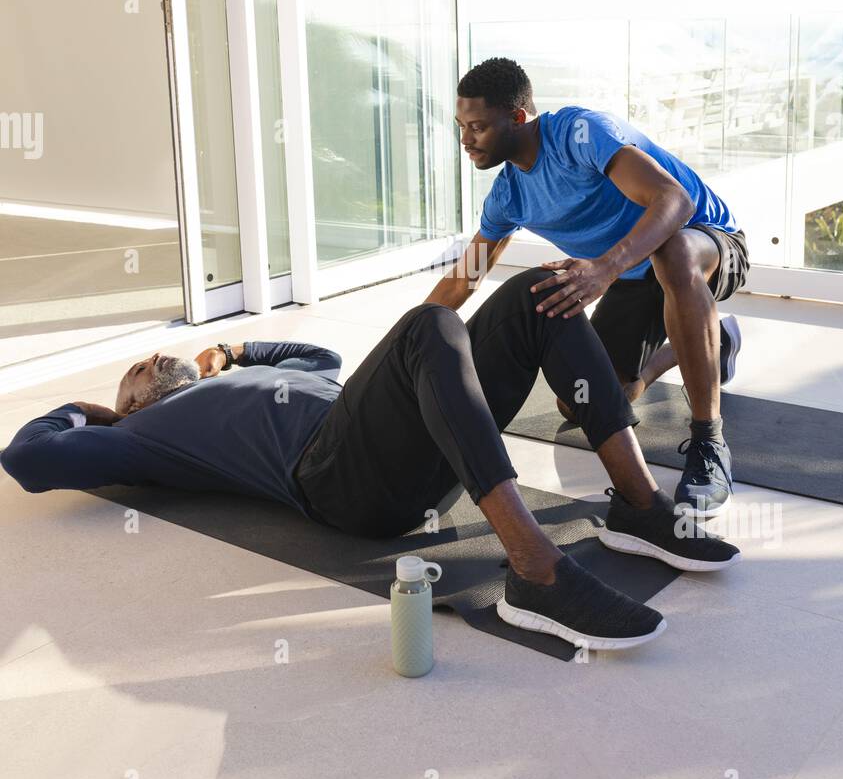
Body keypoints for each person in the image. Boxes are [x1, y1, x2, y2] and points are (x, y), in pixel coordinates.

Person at [1, 275, 740, 656]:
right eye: (135, 371)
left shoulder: (223, 377)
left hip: (395, 442)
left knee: (537, 293)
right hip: (336, 481)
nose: (150, 360)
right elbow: (27, 461)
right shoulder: (145, 436)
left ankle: (638, 506)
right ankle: (535, 574)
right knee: (428, 323)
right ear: (130, 406)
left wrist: (233, 352)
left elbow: (319, 358)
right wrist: (82, 411)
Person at [425, 57, 750, 518]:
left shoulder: (578, 135)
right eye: (461, 126)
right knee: (582, 404)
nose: (465, 141)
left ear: (518, 117)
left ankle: (709, 442)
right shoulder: (507, 195)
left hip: (706, 244)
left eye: (476, 127)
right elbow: (466, 276)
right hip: (631, 274)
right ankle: (712, 343)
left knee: (671, 252)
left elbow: (674, 200)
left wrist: (603, 269)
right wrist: (404, 343)